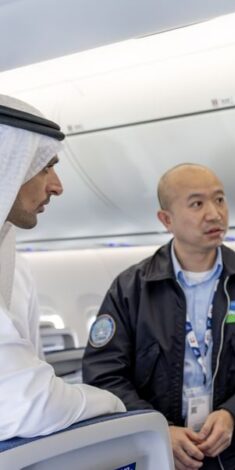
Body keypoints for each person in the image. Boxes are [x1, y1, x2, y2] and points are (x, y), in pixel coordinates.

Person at [82, 163, 235, 470]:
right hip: (158, 453)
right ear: (166, 220)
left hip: (232, 454)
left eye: (219, 199)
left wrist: (233, 413)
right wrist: (156, 428)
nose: (214, 214)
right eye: (197, 204)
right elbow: (103, 374)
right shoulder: (131, 288)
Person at [0, 94, 126, 440]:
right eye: (45, 167)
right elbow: (33, 403)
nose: (57, 186)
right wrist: (116, 406)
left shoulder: (15, 267)